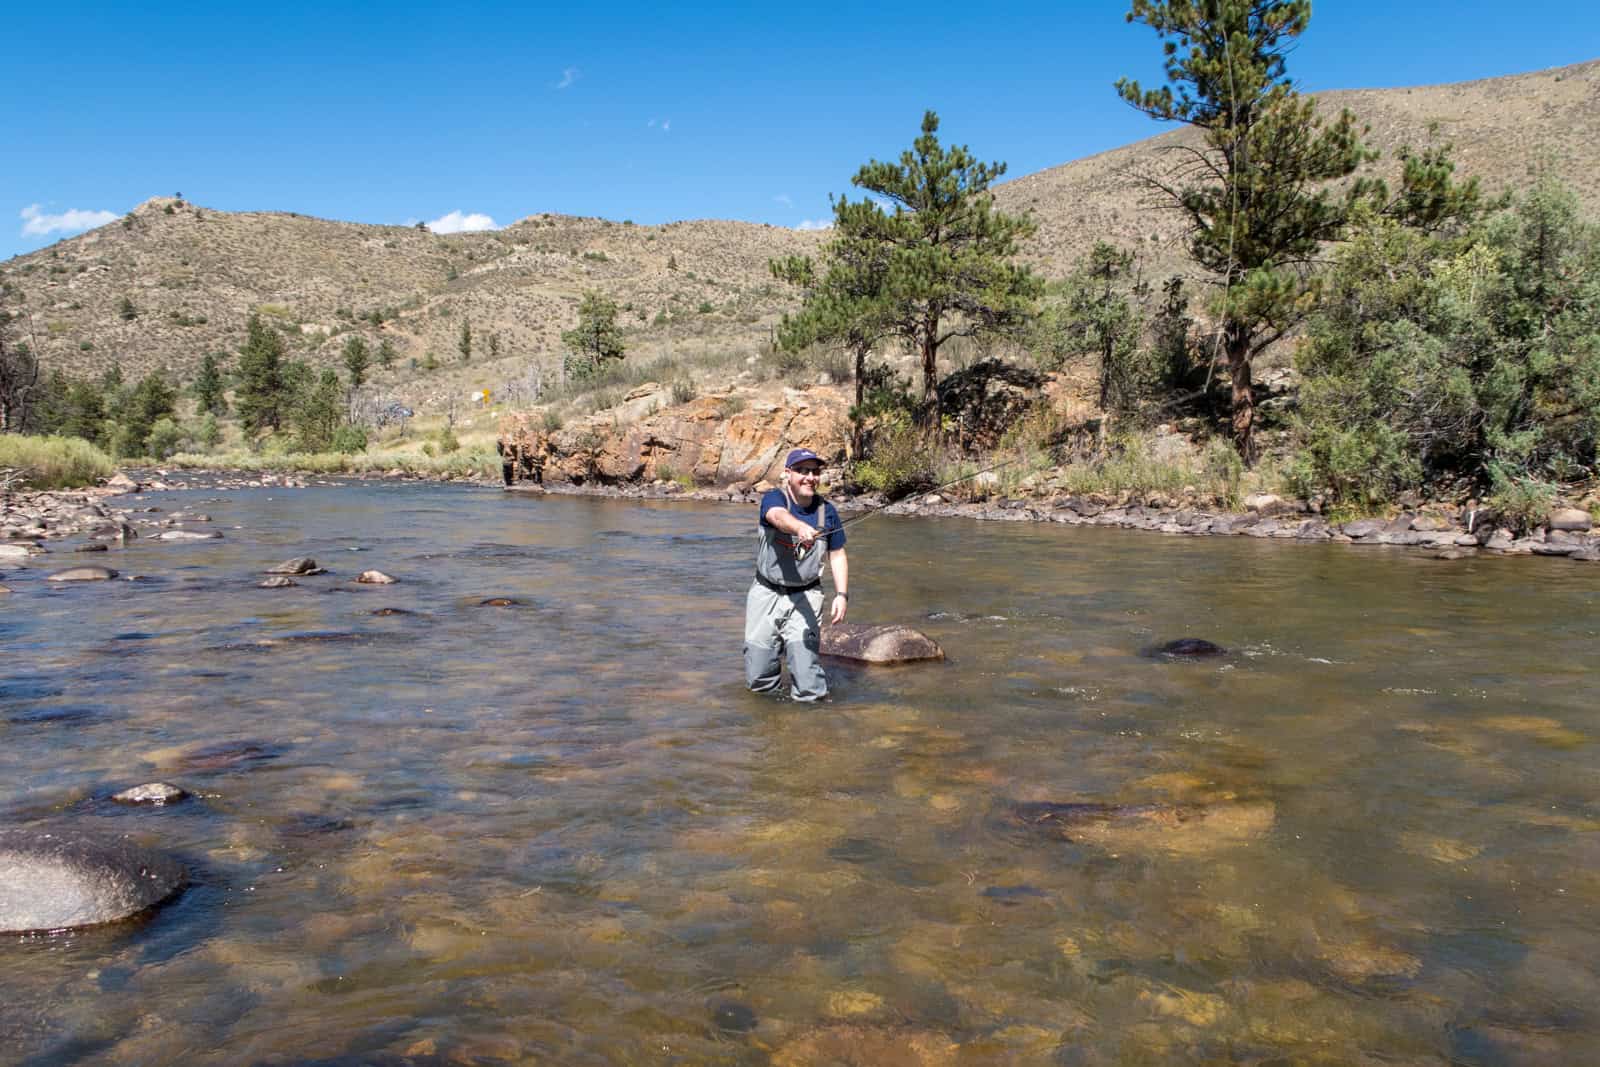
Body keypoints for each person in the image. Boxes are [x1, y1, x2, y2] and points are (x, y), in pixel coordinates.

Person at [744, 448, 849, 701]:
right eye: (803, 471)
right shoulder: (774, 498)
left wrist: (842, 594)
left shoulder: (828, 512)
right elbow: (777, 517)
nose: (810, 477)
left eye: (815, 472)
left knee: (807, 678)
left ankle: (812, 729)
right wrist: (800, 527)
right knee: (759, 677)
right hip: (766, 593)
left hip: (806, 595)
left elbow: (837, 554)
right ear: (788, 474)